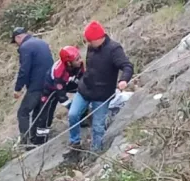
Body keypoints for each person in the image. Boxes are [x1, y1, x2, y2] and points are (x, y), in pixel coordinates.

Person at [68, 21, 133, 154]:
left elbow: (127, 66)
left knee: (98, 126)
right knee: (73, 114)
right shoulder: (92, 46)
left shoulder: (114, 49)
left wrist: (124, 80)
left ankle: (96, 151)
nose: (88, 44)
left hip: (102, 95)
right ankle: (75, 142)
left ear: (98, 38)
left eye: (89, 41)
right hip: (85, 89)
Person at [32, 46, 85, 145]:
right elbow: (62, 97)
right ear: (69, 63)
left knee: (84, 92)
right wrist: (73, 108)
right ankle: (40, 141)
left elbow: (83, 78)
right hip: (50, 90)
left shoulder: (79, 64)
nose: (80, 61)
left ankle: (82, 120)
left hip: (67, 83)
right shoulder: (59, 72)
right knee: (45, 116)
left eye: (79, 57)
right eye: (77, 59)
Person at [12, 27, 53, 147]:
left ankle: (25, 142)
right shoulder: (41, 42)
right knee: (38, 112)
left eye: (16, 42)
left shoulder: (25, 47)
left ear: (18, 37)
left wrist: (18, 88)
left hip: (36, 86)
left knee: (23, 112)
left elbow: (24, 70)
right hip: (49, 83)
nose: (17, 45)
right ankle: (37, 140)